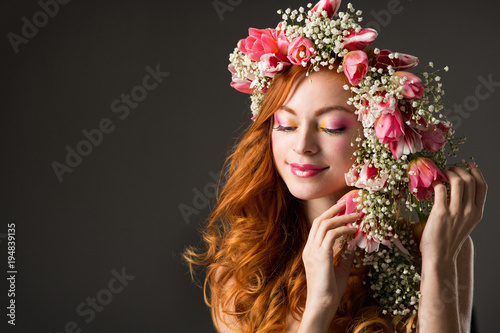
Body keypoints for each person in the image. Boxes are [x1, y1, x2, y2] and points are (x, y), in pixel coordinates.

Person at [184, 1, 488, 332]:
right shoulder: (242, 270)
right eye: (285, 125)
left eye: (332, 127)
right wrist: (320, 305)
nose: (302, 146)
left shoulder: (438, 243)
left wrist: (436, 262)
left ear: (375, 136)